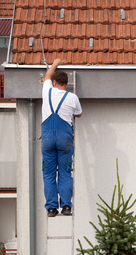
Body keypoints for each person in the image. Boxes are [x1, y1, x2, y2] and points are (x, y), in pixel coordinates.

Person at [41, 58, 82, 217]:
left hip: (48, 138)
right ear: (66, 84)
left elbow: (47, 76)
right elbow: (79, 114)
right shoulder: (72, 98)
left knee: (49, 173)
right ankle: (66, 207)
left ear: (55, 82)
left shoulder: (47, 90)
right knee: (65, 173)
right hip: (64, 138)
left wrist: (55, 63)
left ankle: (51, 208)